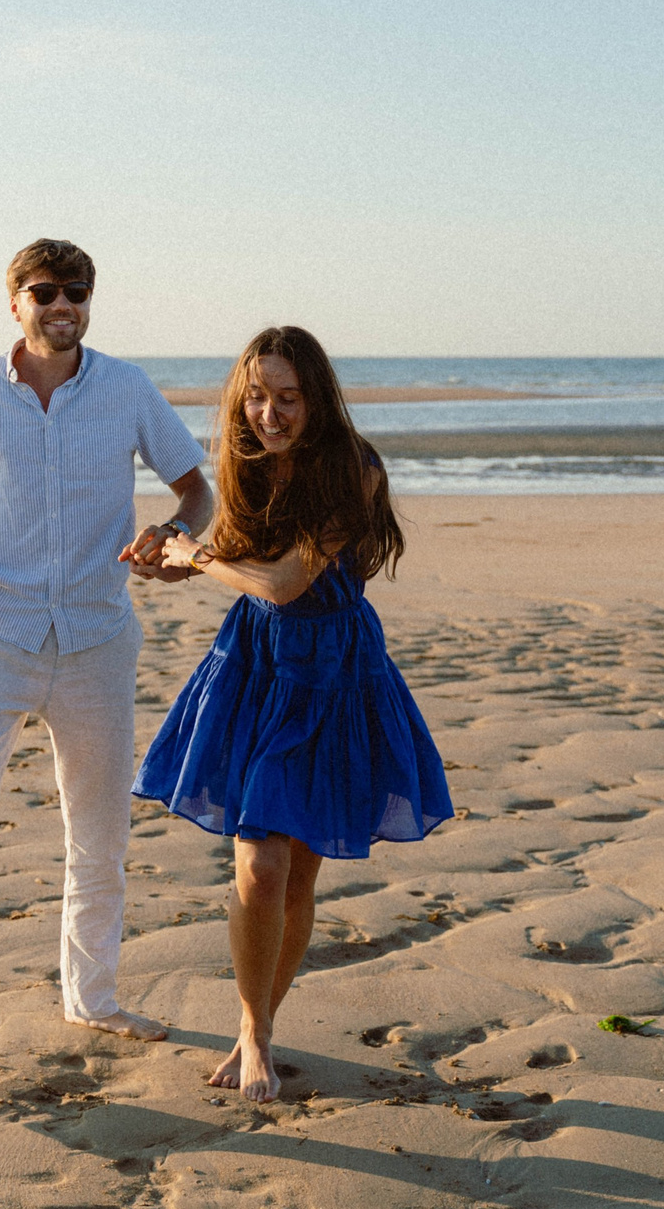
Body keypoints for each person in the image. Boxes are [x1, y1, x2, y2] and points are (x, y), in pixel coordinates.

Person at [0, 239, 215, 1069]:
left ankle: (93, 998)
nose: (65, 305)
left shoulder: (127, 387)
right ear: (15, 301)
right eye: (47, 290)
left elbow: (196, 488)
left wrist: (174, 532)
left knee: (100, 831)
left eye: (78, 291)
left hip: (98, 637)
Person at [129, 325, 452, 1102]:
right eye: (257, 398)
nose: (269, 414)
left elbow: (282, 582)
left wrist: (198, 558)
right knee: (259, 864)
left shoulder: (354, 470)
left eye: (287, 398)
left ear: (317, 400)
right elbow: (239, 564)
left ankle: (257, 1029)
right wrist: (168, 556)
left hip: (334, 672)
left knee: (299, 869)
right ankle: (255, 1030)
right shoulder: (245, 461)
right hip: (257, 666)